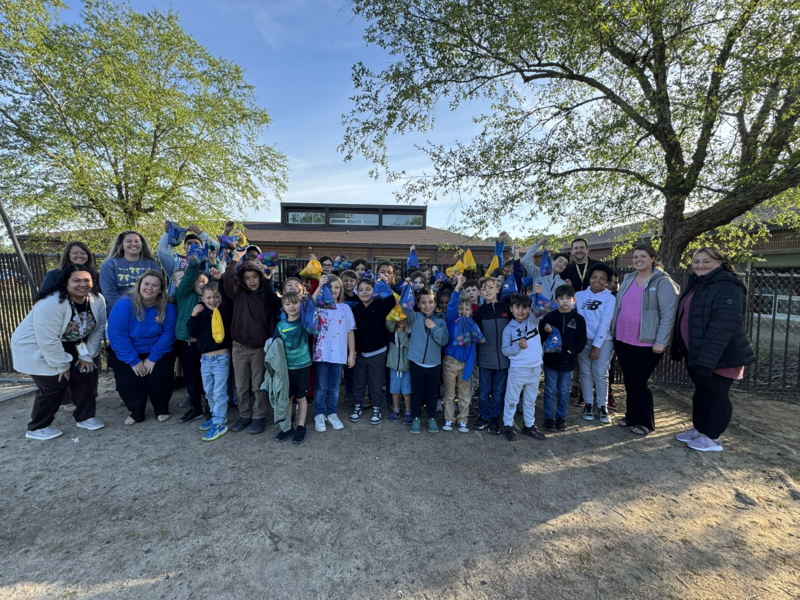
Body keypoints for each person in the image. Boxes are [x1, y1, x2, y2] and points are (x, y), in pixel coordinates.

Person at [671, 248, 755, 452]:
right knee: (702, 393)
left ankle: (713, 438)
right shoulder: (699, 283)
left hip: (720, 354)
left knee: (716, 395)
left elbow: (723, 325)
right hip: (698, 352)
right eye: (696, 261)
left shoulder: (727, 286)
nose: (700, 265)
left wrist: (707, 360)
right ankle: (700, 430)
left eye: (706, 261)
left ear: (720, 262)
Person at [12, 265, 107, 440]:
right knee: (54, 384)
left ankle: (85, 417)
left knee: (86, 373)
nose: (82, 284)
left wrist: (86, 355)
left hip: (71, 344)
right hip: (36, 346)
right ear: (65, 282)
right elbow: (48, 339)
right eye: (76, 280)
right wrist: (62, 365)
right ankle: (37, 427)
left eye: (87, 280)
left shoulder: (97, 299)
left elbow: (98, 327)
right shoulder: (52, 303)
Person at [611, 244, 679, 436]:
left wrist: (661, 341)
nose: (638, 260)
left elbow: (668, 315)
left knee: (639, 381)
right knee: (629, 380)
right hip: (623, 338)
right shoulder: (629, 278)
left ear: (652, 258)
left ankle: (645, 422)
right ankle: (631, 416)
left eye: (642, 256)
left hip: (647, 341)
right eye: (635, 257)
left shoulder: (664, 282)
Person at [107, 270, 177, 424]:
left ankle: (161, 408)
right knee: (130, 380)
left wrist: (152, 357)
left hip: (157, 349)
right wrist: (133, 360)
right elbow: (117, 334)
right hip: (129, 350)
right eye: (146, 283)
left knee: (160, 378)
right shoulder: (125, 304)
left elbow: (168, 334)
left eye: (155, 285)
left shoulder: (168, 307)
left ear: (160, 289)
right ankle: (136, 411)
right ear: (139, 285)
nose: (149, 288)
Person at [223, 249, 280, 435]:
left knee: (258, 387)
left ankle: (259, 416)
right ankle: (244, 415)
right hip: (239, 347)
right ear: (242, 279)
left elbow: (275, 302)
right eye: (247, 278)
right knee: (241, 387)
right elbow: (227, 278)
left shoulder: (266, 295)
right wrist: (235, 259)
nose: (252, 281)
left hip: (259, 349)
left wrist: (269, 278)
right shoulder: (238, 293)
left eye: (255, 277)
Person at [398, 286, 449, 434]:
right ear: (418, 304)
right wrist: (408, 288)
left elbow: (444, 340)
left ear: (435, 303)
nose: (427, 306)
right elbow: (404, 305)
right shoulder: (415, 317)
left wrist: (434, 327)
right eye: (423, 303)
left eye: (431, 302)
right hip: (416, 363)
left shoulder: (440, 320)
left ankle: (432, 418)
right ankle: (416, 418)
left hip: (434, 364)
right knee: (417, 392)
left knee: (432, 393)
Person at [187, 280, 233, 441]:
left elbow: (226, 297)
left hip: (221, 358)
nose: (212, 300)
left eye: (216, 296)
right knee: (210, 391)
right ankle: (215, 416)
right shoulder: (200, 314)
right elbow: (192, 332)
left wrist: (221, 281)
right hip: (205, 359)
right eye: (208, 297)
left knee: (220, 392)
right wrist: (193, 315)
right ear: (202, 298)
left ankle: (220, 422)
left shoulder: (224, 311)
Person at [539, 285, 587, 432]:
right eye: (561, 298)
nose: (565, 301)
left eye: (568, 298)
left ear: (574, 300)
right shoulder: (550, 317)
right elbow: (540, 337)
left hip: (568, 360)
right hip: (551, 360)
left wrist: (571, 351)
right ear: (556, 300)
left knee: (564, 391)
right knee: (549, 390)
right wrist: (544, 330)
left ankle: (561, 417)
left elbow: (582, 340)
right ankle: (548, 417)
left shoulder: (578, 319)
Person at [312, 274, 356, 433]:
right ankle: (319, 413)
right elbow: (308, 305)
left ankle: (332, 412)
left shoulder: (345, 308)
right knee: (321, 387)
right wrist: (319, 286)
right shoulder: (319, 307)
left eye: (337, 287)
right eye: (330, 287)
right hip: (321, 354)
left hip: (339, 355)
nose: (334, 290)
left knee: (335, 387)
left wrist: (352, 354)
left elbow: (350, 332)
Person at [349, 276, 396, 424]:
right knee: (359, 381)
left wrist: (384, 284)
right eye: (361, 289)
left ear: (374, 291)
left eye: (368, 289)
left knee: (376, 382)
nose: (364, 292)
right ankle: (358, 405)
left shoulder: (380, 304)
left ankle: (376, 407)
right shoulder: (354, 309)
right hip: (360, 352)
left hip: (378, 351)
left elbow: (391, 299)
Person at [575, 264, 616, 424]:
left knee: (600, 374)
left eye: (602, 278)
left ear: (607, 282)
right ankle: (589, 404)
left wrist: (596, 345)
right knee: (585, 373)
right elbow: (565, 307)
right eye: (594, 277)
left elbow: (605, 323)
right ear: (589, 278)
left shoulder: (609, 298)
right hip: (583, 341)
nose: (597, 281)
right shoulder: (579, 295)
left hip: (603, 342)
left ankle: (602, 406)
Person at [501, 294, 545, 441]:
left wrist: (539, 293)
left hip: (535, 367)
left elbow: (543, 307)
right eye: (517, 307)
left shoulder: (533, 320)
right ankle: (508, 425)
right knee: (512, 399)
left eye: (525, 307)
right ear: (511, 309)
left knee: (530, 399)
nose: (521, 311)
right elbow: (505, 350)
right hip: (518, 369)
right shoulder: (508, 329)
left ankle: (529, 426)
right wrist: (518, 347)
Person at [472, 277, 511, 434]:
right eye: (484, 288)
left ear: (497, 289)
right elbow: (475, 335)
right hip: (485, 358)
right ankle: (483, 415)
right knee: (483, 390)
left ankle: (494, 416)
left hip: (503, 358)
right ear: (480, 293)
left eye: (490, 287)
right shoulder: (479, 312)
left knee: (498, 390)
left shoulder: (507, 309)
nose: (487, 290)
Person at [173, 260, 211, 424]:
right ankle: (196, 407)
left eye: (204, 281)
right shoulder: (184, 296)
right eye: (198, 282)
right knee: (191, 377)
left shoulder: (211, 299)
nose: (201, 285)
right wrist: (194, 265)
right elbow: (187, 280)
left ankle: (210, 407)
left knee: (209, 378)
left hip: (206, 345)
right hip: (188, 344)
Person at [272, 292, 312, 444]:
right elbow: (275, 346)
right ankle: (287, 427)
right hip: (285, 368)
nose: (292, 307)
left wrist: (306, 300)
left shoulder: (304, 322)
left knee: (301, 397)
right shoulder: (280, 325)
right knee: (287, 397)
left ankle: (301, 426)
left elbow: (311, 315)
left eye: (295, 303)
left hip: (302, 365)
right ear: (283, 307)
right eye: (287, 304)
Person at [441, 277, 479, 433]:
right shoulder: (451, 320)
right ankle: (449, 419)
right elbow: (451, 306)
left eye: (467, 309)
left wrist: (469, 369)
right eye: (460, 308)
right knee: (449, 394)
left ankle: (463, 419)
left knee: (464, 395)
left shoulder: (473, 326)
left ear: (471, 311)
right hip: (449, 362)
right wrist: (457, 288)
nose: (463, 311)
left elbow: (473, 350)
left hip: (465, 365)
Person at [99, 230, 161, 314]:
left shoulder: (151, 264)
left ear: (142, 244)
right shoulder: (110, 264)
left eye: (136, 241)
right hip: (119, 309)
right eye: (129, 241)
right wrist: (127, 309)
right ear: (122, 245)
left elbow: (158, 288)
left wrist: (145, 308)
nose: (133, 243)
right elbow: (108, 292)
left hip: (147, 309)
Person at [521, 235, 569, 301]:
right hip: (536, 310)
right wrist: (539, 243)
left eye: (565, 264)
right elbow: (525, 260)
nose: (562, 265)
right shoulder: (538, 273)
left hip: (553, 311)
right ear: (552, 261)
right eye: (560, 261)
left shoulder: (562, 283)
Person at [385, 317, 412, 423]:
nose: (401, 321)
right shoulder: (392, 329)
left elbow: (408, 345)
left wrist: (401, 332)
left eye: (404, 318)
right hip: (393, 366)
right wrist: (396, 306)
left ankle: (408, 411)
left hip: (407, 367)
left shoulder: (411, 330)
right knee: (394, 391)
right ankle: (396, 409)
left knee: (406, 392)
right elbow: (388, 322)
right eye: (398, 318)